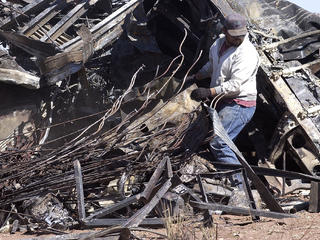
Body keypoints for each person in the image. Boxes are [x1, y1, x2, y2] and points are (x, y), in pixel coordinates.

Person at [188, 13, 260, 186]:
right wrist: (198, 75)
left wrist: (208, 91)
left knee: (220, 144)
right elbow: (212, 65)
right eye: (235, 36)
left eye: (242, 35)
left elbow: (235, 86)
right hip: (223, 101)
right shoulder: (218, 44)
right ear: (224, 31)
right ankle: (224, 180)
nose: (239, 39)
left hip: (240, 104)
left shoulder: (247, 53)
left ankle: (241, 187)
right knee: (205, 140)